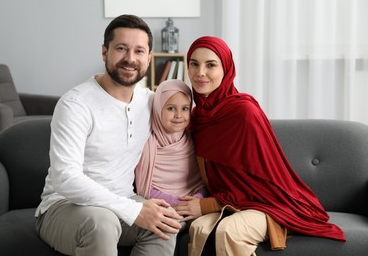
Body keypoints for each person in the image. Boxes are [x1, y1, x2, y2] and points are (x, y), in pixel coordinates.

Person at [173, 36, 346, 256]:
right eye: (194, 64)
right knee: (198, 228)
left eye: (211, 65)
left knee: (229, 231)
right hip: (231, 203)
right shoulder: (196, 117)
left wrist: (207, 205)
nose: (200, 73)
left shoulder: (244, 113)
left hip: (267, 203)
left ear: (226, 68)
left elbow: (261, 183)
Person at [35, 14, 182, 256]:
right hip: (64, 206)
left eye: (138, 51)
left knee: (166, 222)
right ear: (105, 52)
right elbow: (65, 177)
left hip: (122, 202)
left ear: (149, 58)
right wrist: (133, 210)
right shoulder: (76, 104)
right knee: (102, 223)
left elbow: (192, 119)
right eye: (121, 49)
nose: (130, 59)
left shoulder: (151, 103)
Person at [135, 79, 207, 208]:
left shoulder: (193, 140)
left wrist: (197, 200)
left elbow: (200, 182)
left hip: (194, 206)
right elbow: (144, 188)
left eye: (185, 108)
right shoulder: (147, 145)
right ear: (158, 109)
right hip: (160, 206)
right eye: (171, 108)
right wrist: (177, 203)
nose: (179, 115)